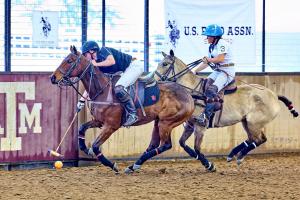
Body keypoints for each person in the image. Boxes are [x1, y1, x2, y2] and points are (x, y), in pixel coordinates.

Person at [77, 40, 144, 126]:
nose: (85, 57)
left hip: (134, 66)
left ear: (91, 51)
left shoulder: (104, 50)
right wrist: (81, 101)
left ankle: (133, 114)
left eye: (85, 54)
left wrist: (96, 65)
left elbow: (111, 61)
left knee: (119, 88)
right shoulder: (97, 64)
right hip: (124, 71)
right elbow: (90, 86)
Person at [192, 24, 235, 126]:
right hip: (218, 70)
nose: (206, 38)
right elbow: (206, 62)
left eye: (208, 36)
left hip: (227, 71)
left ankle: (205, 116)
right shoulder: (211, 46)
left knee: (211, 90)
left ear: (215, 37)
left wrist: (209, 59)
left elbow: (220, 59)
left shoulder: (222, 43)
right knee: (204, 85)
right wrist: (195, 71)